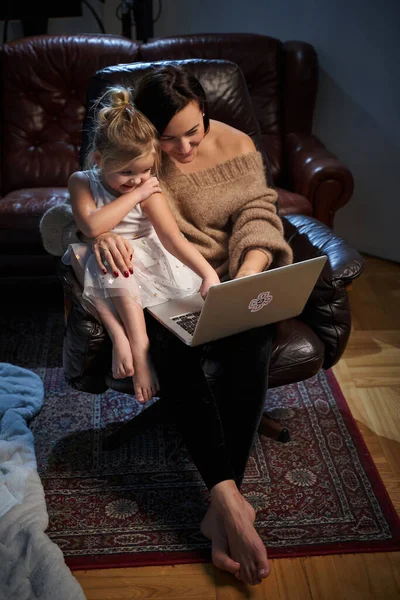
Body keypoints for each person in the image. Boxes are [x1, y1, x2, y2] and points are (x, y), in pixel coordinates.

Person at [83, 65, 293, 587]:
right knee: (174, 348)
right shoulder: (137, 154)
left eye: (193, 132)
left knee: (256, 338)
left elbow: (258, 212)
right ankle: (229, 502)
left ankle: (224, 503)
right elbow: (94, 200)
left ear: (206, 112)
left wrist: (244, 277)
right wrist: (100, 238)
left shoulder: (238, 142)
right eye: (169, 139)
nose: (183, 149)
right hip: (163, 285)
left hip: (226, 274)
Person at [63, 86, 220, 403]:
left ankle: (125, 336)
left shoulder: (151, 190)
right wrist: (137, 194)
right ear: (98, 160)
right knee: (103, 259)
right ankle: (135, 344)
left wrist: (208, 274)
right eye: (126, 173)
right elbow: (91, 225)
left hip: (147, 257)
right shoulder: (82, 181)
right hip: (109, 264)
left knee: (116, 261)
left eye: (146, 170)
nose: (137, 180)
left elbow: (173, 239)